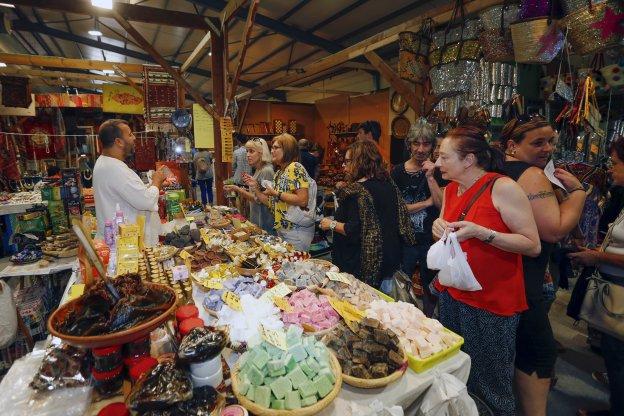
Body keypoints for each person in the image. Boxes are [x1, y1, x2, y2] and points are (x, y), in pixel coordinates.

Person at [431, 126, 541, 415]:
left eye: (444, 157)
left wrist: (483, 233)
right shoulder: (451, 189)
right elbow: (445, 229)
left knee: (491, 382)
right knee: (455, 370)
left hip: (492, 301)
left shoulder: (502, 187)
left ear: (468, 160)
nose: (438, 164)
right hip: (453, 295)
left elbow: (532, 245)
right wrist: (437, 228)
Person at [501, 115, 587, 416]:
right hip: (524, 281)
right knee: (538, 353)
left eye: (551, 141)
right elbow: (553, 228)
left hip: (500, 277)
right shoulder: (531, 175)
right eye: (538, 142)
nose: (547, 148)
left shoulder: (493, 170)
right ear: (512, 145)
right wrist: (578, 193)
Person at [569, 136, 624, 416]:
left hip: (620, 291)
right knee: (615, 356)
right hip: (614, 285)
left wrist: (597, 257)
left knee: (618, 356)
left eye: (615, 163)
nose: (610, 169)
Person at [319, 140, 415, 292]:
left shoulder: (356, 192)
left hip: (364, 262)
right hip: (390, 256)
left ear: (360, 162)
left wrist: (329, 223)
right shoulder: (389, 184)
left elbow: (353, 230)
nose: (344, 166)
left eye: (348, 161)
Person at [391, 120, 442, 317]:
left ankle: (430, 321)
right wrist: (426, 203)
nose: (421, 149)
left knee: (432, 288)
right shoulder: (397, 172)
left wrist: (430, 177)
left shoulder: (439, 172)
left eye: (426, 144)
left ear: (432, 146)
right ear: (409, 144)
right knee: (402, 284)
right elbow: (398, 210)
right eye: (416, 143)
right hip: (406, 240)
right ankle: (404, 319)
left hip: (432, 240)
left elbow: (442, 205)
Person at [93, 119, 165, 246]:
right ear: (119, 142)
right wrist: (156, 182)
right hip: (125, 245)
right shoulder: (114, 169)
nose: (134, 138)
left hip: (121, 240)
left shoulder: (105, 163)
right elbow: (146, 201)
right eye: (130, 134)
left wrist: (150, 186)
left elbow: (132, 194)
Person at [245, 133, 314, 251]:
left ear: (287, 150)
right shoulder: (279, 172)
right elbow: (271, 204)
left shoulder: (295, 167)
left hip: (296, 231)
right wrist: (256, 187)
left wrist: (276, 193)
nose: (272, 151)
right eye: (272, 148)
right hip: (283, 230)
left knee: (297, 266)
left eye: (276, 148)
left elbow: (303, 200)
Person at [225, 138, 275, 234]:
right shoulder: (259, 169)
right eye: (247, 151)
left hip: (264, 222)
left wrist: (238, 189)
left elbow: (266, 201)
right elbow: (256, 197)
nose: (247, 155)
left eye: (251, 151)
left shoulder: (266, 171)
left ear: (261, 153)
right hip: (258, 219)